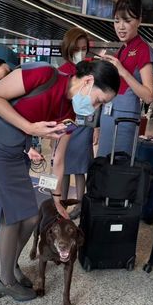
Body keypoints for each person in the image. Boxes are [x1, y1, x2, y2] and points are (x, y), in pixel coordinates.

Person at [0, 60, 120, 301]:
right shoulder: (44, 73)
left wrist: (57, 200)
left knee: (32, 216)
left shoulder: (69, 116)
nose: (96, 108)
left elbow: (58, 160)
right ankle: (5, 281)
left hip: (15, 152)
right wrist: (30, 127)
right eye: (99, 100)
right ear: (88, 82)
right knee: (11, 217)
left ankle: (10, 265)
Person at [96, 0, 153, 157]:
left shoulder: (143, 49)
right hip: (108, 116)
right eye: (116, 21)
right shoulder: (121, 50)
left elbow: (149, 96)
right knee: (103, 167)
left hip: (124, 121)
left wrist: (123, 71)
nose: (120, 27)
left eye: (127, 20)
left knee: (118, 171)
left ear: (139, 21)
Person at [57, 27, 93, 219]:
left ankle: (79, 204)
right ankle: (61, 202)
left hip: (83, 124)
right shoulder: (62, 71)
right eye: (77, 49)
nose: (81, 52)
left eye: (84, 48)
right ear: (68, 48)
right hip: (64, 125)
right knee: (62, 167)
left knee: (79, 168)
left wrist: (95, 127)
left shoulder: (88, 70)